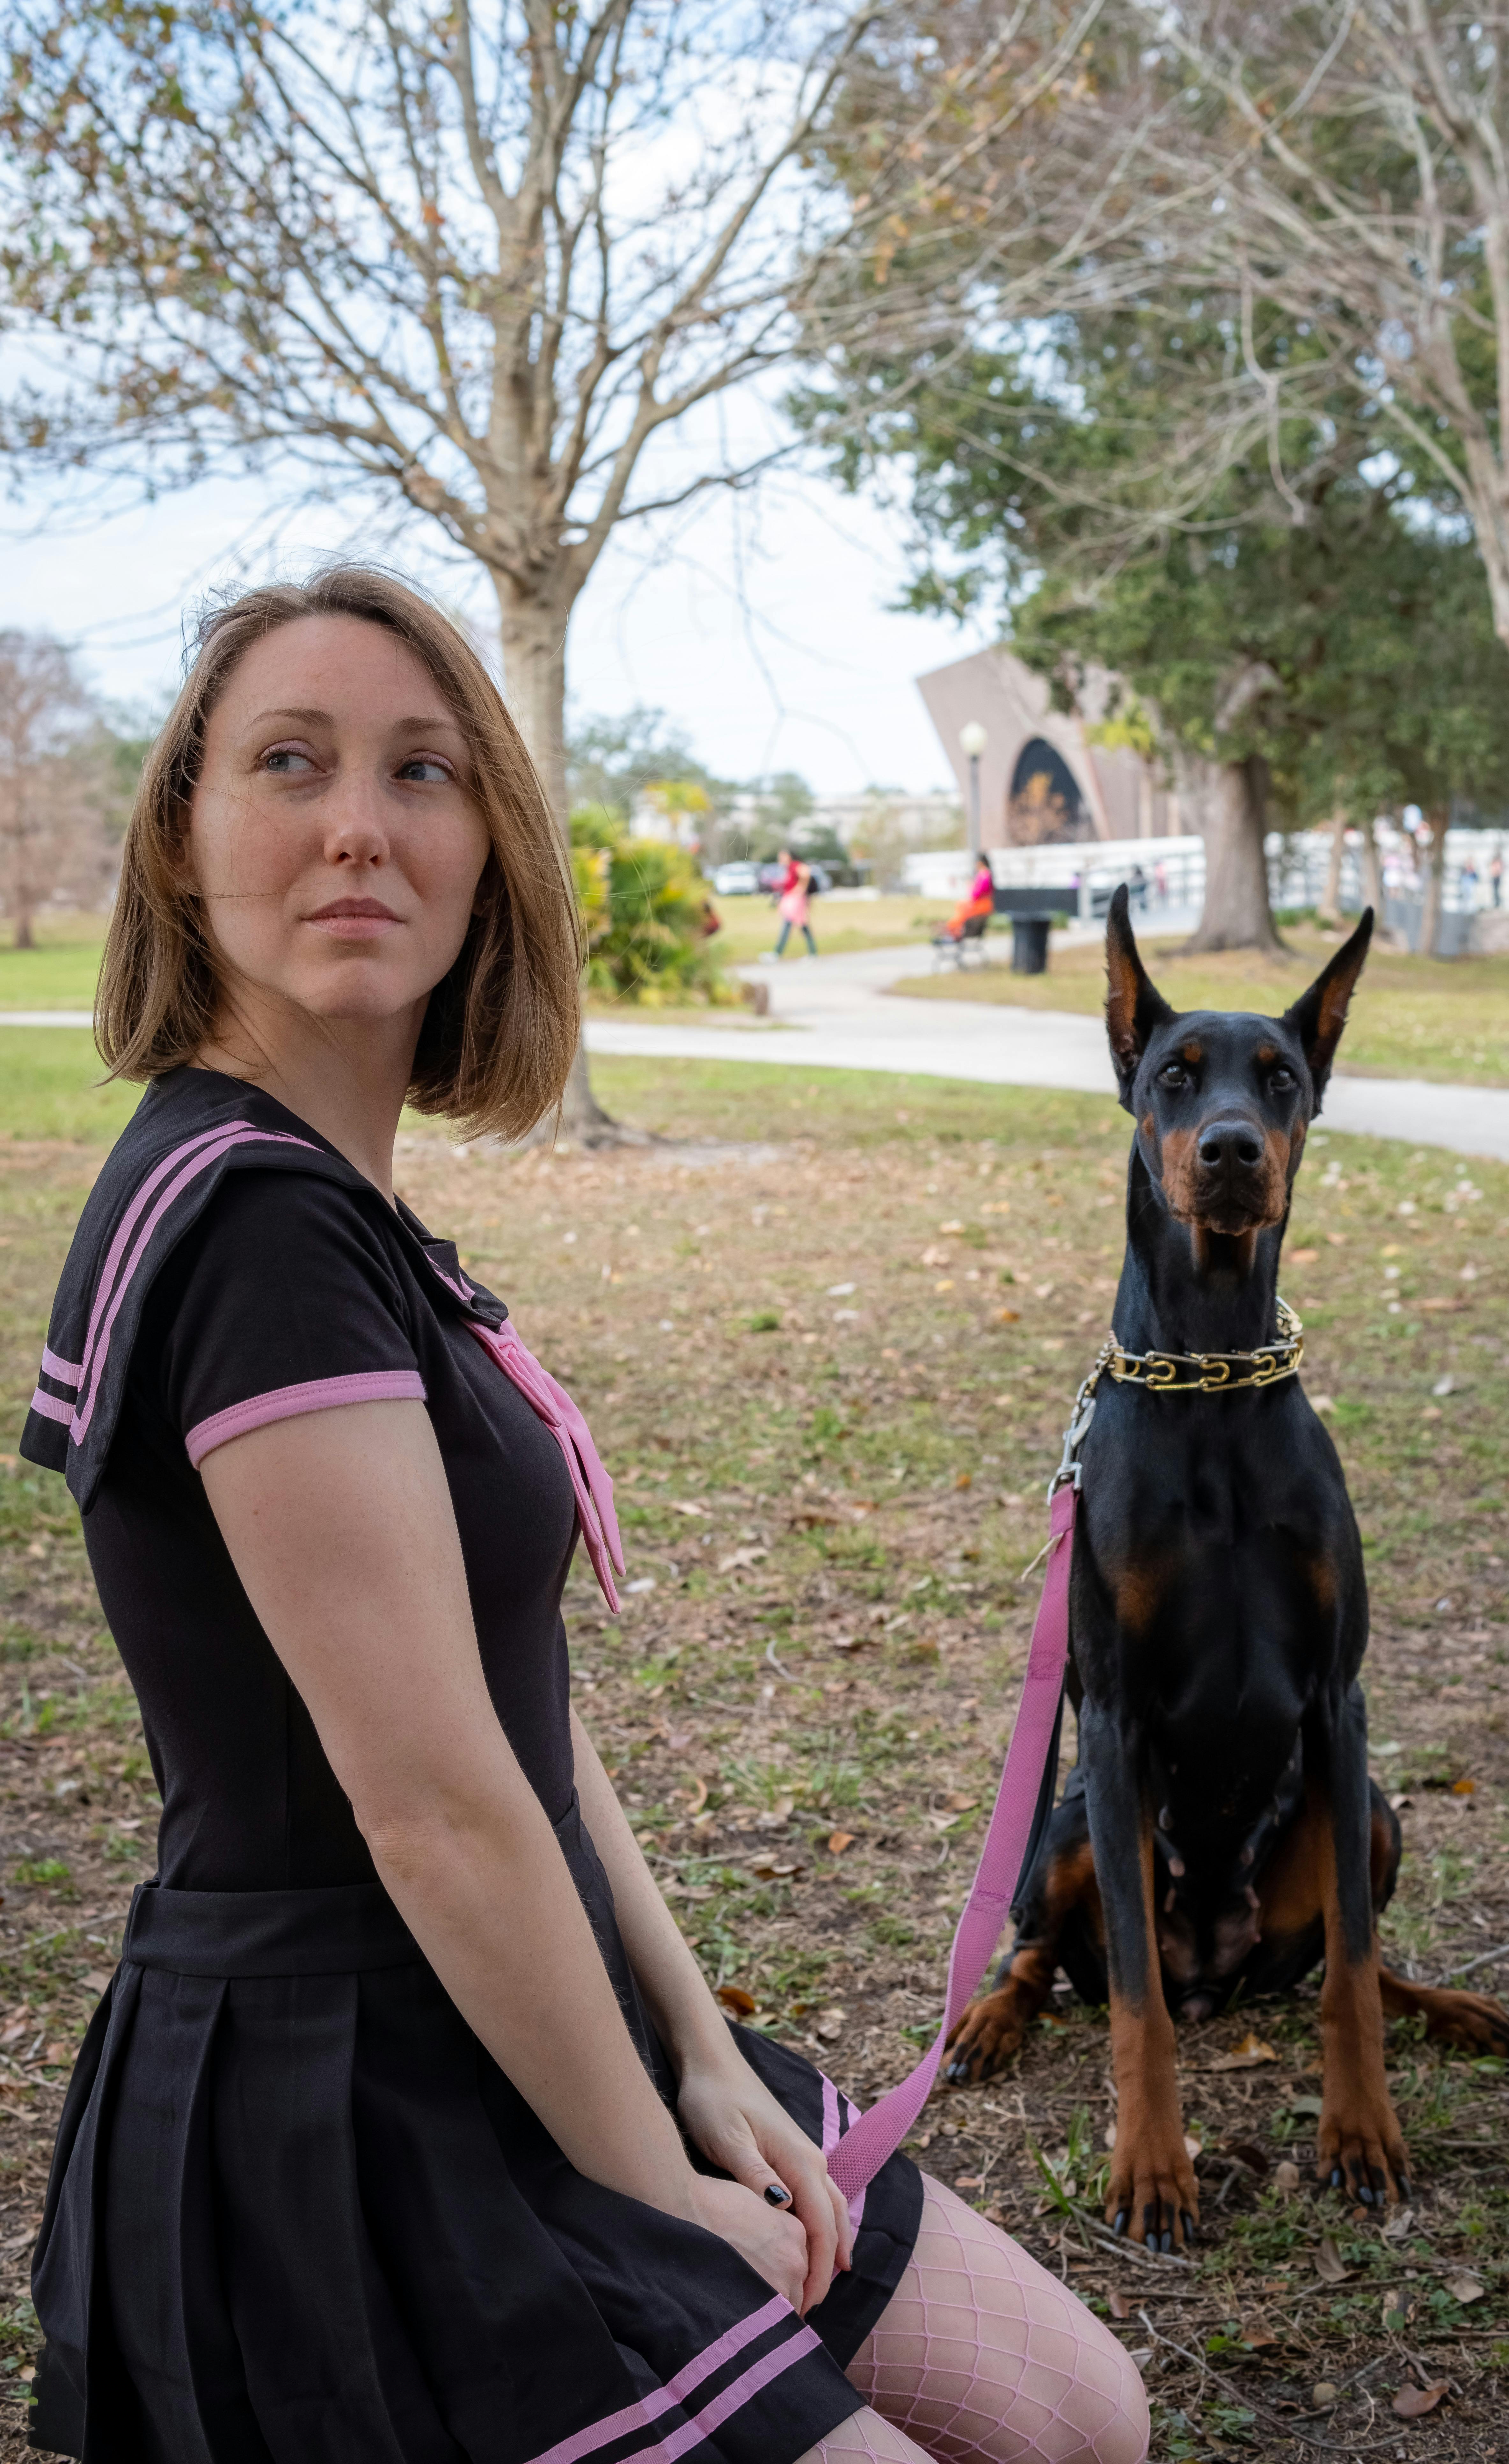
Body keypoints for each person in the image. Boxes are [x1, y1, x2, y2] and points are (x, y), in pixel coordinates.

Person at [18, 568, 1148, 2464]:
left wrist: (699, 2046)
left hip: (543, 2014)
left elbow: (512, 1723)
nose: (360, 821)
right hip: (351, 2101)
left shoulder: (343, 1208)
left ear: (489, 859)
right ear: (182, 833)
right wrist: (651, 2197)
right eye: (289, 760)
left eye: (424, 770)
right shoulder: (252, 1228)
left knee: (1073, 2411)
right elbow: (433, 1804)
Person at [771, 848, 819, 958]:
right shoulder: (788, 868)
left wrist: (800, 889)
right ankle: (813, 953)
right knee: (802, 926)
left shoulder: (795, 866)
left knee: (793, 925)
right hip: (791, 900)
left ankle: (778, 953)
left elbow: (806, 873)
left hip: (795, 901)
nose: (781, 859)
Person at [938, 854, 994, 942]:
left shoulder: (984, 875)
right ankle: (953, 930)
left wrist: (970, 885)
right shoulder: (987, 875)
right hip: (985, 905)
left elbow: (976, 894)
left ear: (979, 863)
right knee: (961, 906)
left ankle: (953, 931)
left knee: (961, 906)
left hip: (982, 906)